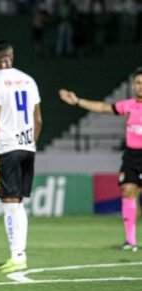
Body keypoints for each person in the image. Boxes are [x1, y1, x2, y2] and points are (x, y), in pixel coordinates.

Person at [59, 68, 142, 252]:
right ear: (133, 85)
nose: (140, 86)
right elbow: (104, 108)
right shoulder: (129, 105)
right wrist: (78, 101)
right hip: (131, 157)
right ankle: (131, 241)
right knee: (128, 191)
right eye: (137, 83)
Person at [0, 40, 42, 273]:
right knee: (18, 202)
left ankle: (17, 256)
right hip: (28, 146)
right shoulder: (29, 80)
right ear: (12, 55)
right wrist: (29, 143)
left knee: (9, 202)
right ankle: (20, 253)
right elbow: (38, 120)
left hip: (5, 147)